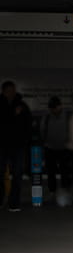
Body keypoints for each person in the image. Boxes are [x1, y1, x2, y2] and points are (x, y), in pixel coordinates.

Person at [0, 80, 32, 212]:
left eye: (13, 90)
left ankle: (14, 203)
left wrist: (26, 141)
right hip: (2, 144)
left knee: (17, 174)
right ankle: (0, 200)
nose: (11, 93)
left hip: (18, 145)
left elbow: (28, 123)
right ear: (3, 91)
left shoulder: (22, 105)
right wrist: (13, 115)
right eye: (9, 91)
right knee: (0, 173)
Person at [41, 96, 72, 206]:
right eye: (51, 108)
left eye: (55, 107)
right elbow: (42, 130)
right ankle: (52, 192)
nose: (53, 110)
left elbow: (71, 131)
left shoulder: (67, 116)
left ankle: (65, 193)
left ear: (60, 106)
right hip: (50, 148)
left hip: (64, 148)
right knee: (51, 172)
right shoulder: (47, 116)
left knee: (65, 172)